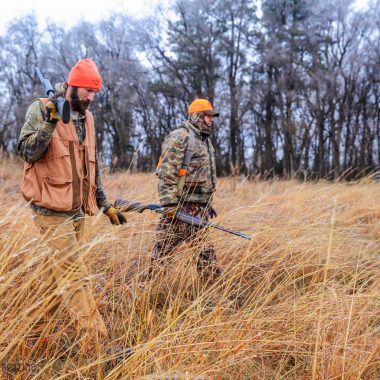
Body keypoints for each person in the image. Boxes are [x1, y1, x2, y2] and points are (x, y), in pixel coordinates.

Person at [18, 58, 126, 342]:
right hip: (50, 209)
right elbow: (27, 152)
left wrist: (104, 204)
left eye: (95, 92)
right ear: (72, 85)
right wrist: (49, 124)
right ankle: (97, 343)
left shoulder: (87, 118)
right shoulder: (41, 108)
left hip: (78, 210)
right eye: (87, 91)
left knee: (53, 283)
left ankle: (28, 337)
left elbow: (92, 165)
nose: (91, 98)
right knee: (75, 276)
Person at [152, 98, 221, 279]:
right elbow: (166, 175)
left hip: (199, 211)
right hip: (179, 210)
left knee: (207, 260)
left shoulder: (204, 141)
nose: (211, 120)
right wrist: (169, 206)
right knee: (160, 259)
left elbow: (201, 176)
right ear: (197, 116)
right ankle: (145, 294)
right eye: (208, 116)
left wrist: (206, 203)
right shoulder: (180, 137)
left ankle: (212, 297)